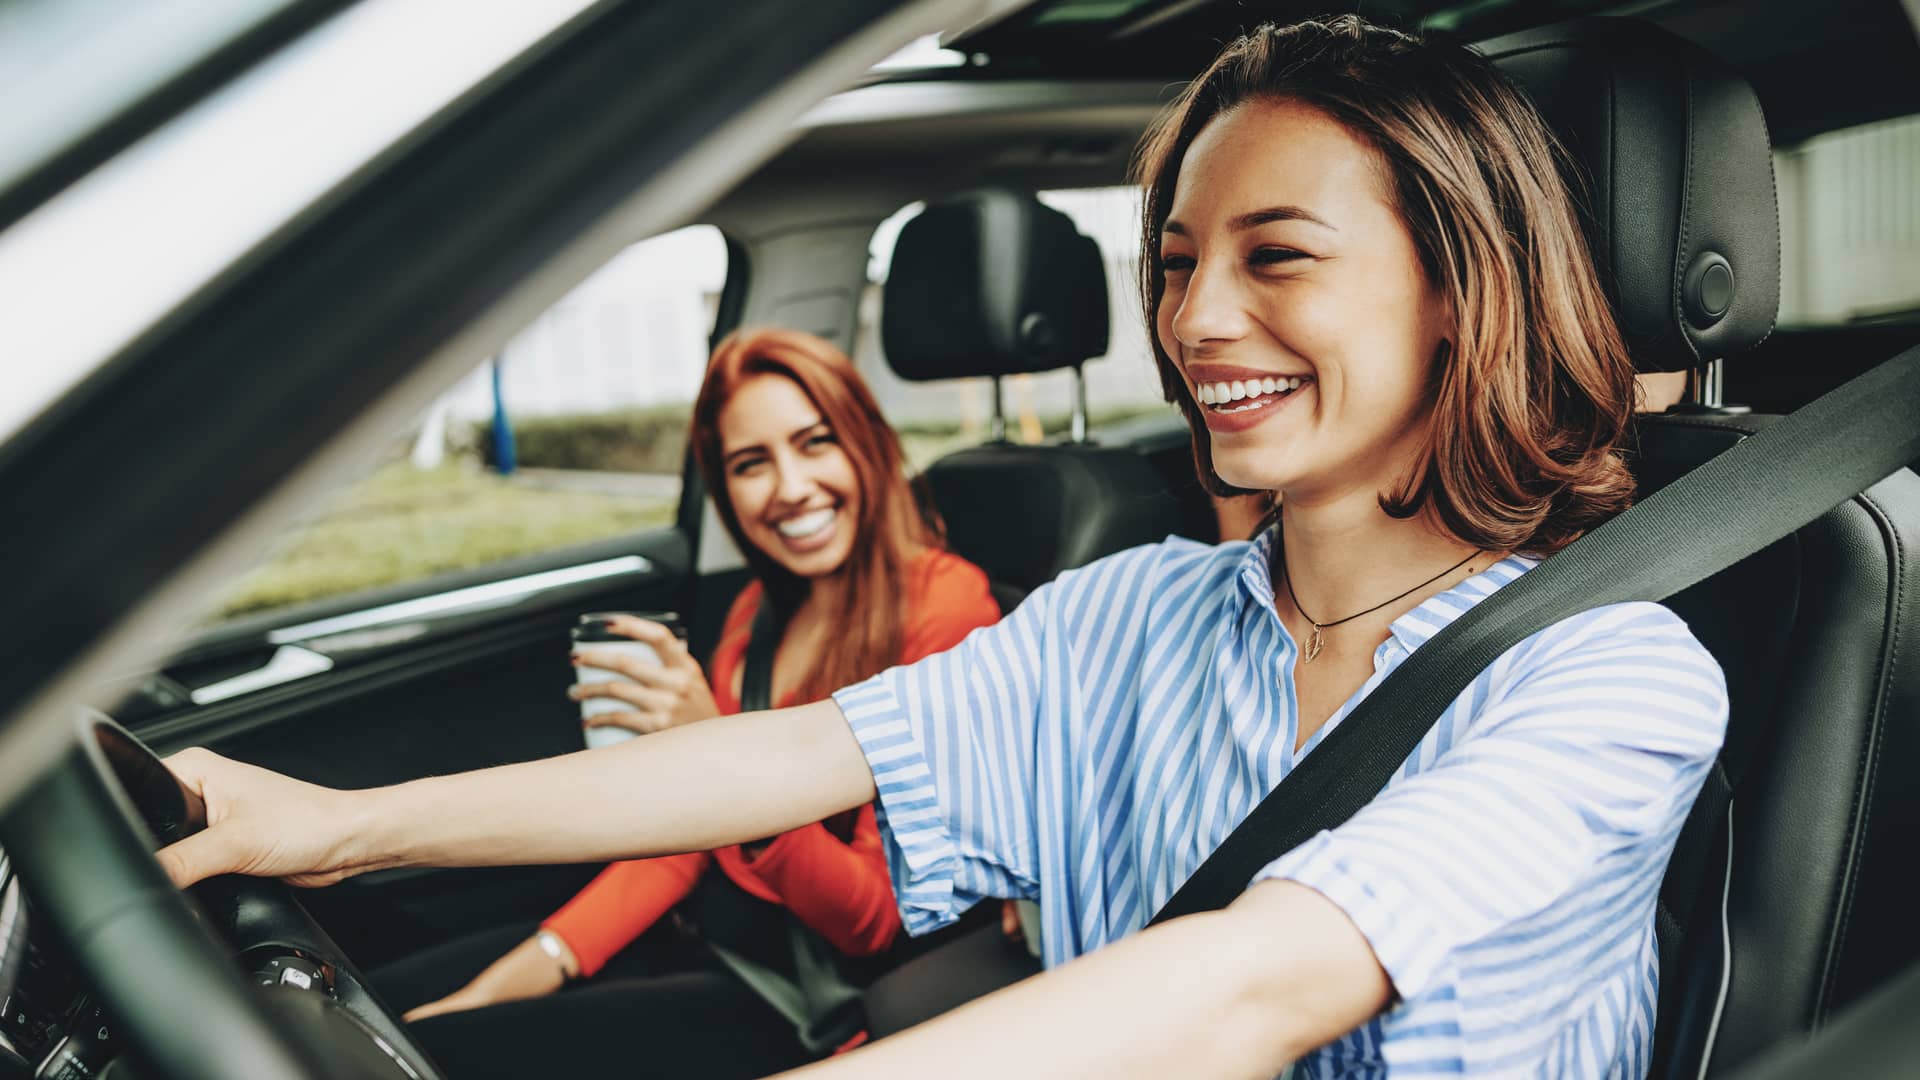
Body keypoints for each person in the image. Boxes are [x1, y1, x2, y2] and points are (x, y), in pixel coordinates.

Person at [156, 18, 1727, 1079]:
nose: (1194, 321)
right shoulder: (1129, 615)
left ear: (1459, 288)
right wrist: (334, 829)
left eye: (1277, 258)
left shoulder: (1614, 676)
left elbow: (1260, 986)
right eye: (1176, 263)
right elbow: (779, 760)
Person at [374, 326, 1000, 1078]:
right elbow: (684, 845)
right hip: (695, 932)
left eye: (815, 442)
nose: (790, 487)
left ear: (866, 442)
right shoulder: (758, 616)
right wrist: (531, 968)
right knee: (385, 1003)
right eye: (750, 464)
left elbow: (872, 923)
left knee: (437, 1057)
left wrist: (727, 759)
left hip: (797, 999)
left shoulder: (946, 608)